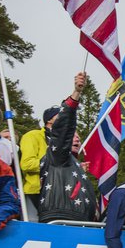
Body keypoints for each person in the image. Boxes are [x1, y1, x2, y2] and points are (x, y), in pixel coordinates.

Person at [38, 72, 99, 224]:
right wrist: (76, 94)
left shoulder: (73, 163)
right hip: (61, 220)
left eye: (79, 136)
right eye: (73, 135)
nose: (77, 138)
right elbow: (63, 130)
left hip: (78, 223)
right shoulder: (57, 155)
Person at [20, 103, 61, 221]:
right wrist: (51, 164)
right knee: (32, 228)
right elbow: (27, 164)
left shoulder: (62, 140)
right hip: (36, 192)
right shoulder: (32, 136)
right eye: (60, 115)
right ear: (49, 119)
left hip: (57, 194)